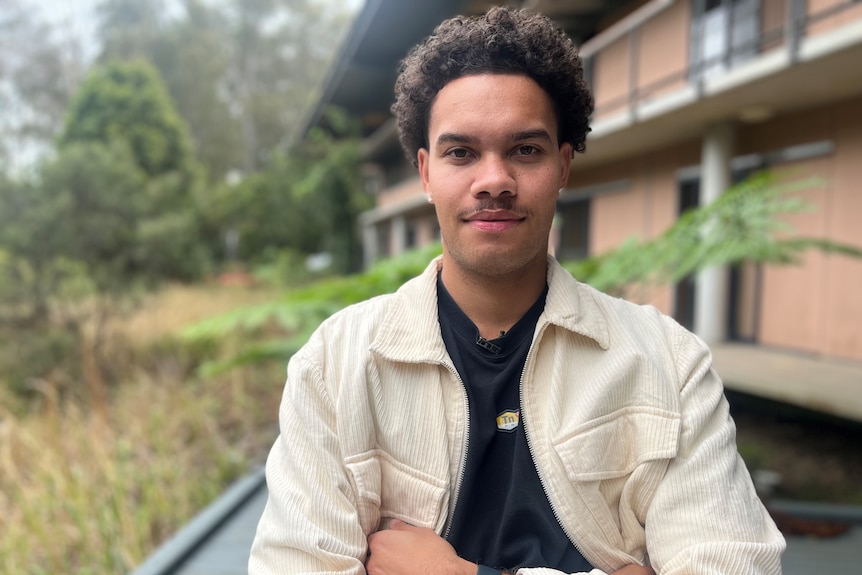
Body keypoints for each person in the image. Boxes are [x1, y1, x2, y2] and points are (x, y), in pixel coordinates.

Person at [249, 6, 785, 575]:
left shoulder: (667, 364)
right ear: (427, 174)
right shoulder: (336, 366)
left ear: (562, 167)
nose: (494, 181)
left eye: (525, 150)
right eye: (462, 153)